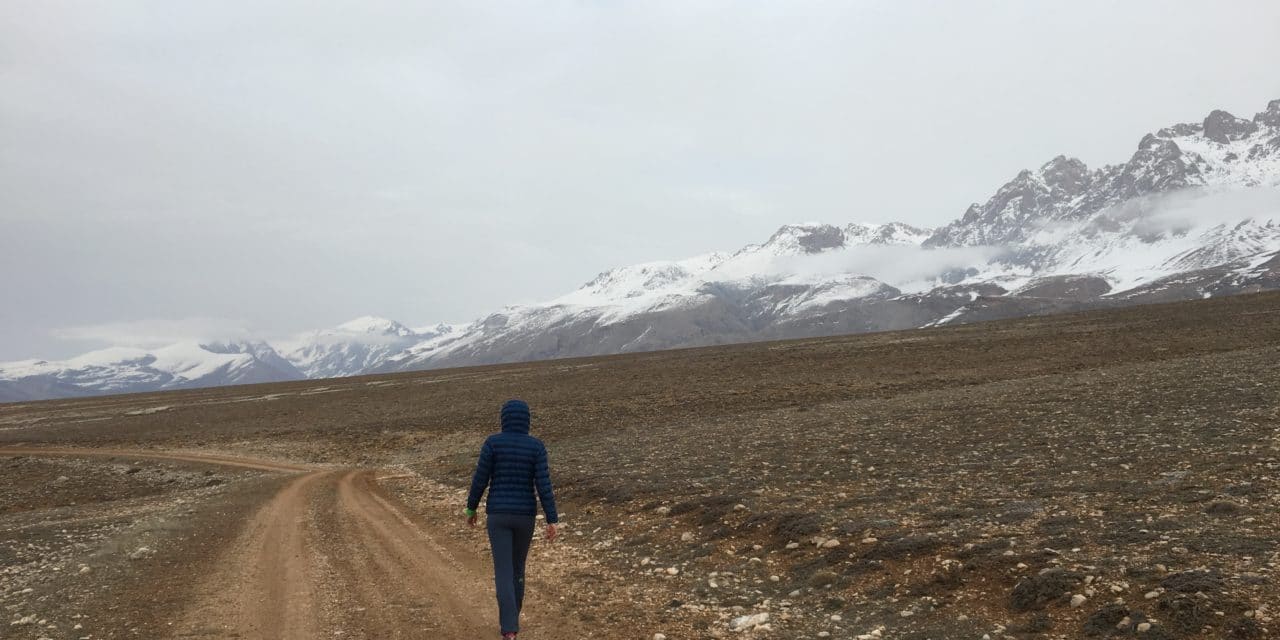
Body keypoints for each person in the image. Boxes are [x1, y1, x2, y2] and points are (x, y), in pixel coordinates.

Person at [466, 399, 559, 639]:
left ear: (504, 419)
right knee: (518, 567)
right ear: (526, 420)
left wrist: (471, 508)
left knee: (504, 570)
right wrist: (552, 519)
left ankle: (509, 627)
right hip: (525, 516)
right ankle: (513, 614)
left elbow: (480, 479)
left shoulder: (493, 444)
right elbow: (544, 485)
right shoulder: (536, 447)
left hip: (498, 515)